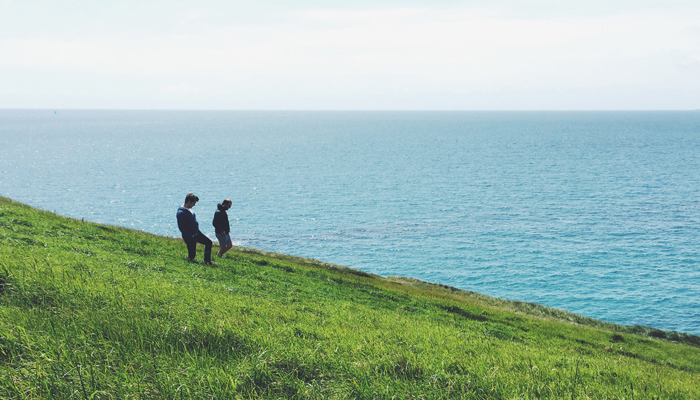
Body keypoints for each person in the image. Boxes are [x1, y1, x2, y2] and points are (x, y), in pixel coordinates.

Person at [176, 193, 215, 265]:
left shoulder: (189, 209)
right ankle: (187, 263)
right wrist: (189, 236)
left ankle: (207, 261)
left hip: (197, 232)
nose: (194, 205)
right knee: (192, 255)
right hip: (189, 236)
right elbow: (181, 227)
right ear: (189, 202)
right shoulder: (181, 213)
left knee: (209, 243)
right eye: (193, 203)